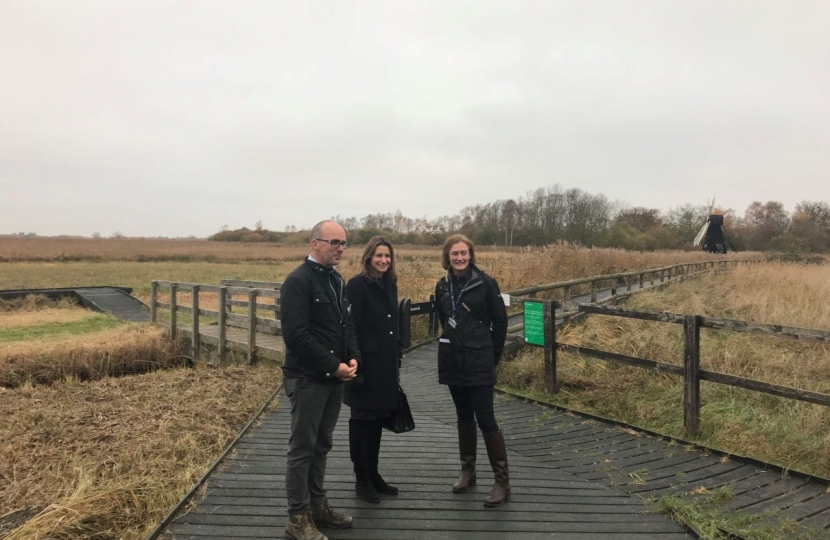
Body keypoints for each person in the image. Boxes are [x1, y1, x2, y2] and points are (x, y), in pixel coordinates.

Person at [280, 220, 360, 540]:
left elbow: (346, 326)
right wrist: (333, 365)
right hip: (308, 379)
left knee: (322, 445)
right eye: (335, 243)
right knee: (303, 448)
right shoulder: (298, 282)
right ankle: (297, 517)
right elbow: (296, 335)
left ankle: (316, 505)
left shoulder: (336, 281)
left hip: (332, 379)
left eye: (344, 244)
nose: (341, 248)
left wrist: (352, 357)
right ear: (315, 244)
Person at [434, 234, 510, 507]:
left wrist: (493, 355)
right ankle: (468, 471)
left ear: (471, 255)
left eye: (464, 253)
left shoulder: (486, 283)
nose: (459, 258)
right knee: (463, 416)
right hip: (453, 360)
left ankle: (502, 481)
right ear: (448, 256)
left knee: (486, 419)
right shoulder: (442, 286)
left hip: (480, 359)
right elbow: (444, 320)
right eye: (455, 253)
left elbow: (500, 323)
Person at [344, 236, 402, 503]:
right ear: (369, 257)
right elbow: (350, 326)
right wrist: (354, 360)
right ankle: (361, 479)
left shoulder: (390, 283)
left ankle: (374, 474)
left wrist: (396, 353)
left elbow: (393, 323)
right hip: (364, 364)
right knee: (362, 421)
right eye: (379, 256)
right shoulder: (356, 285)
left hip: (385, 364)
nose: (383, 260)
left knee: (377, 420)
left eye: (387, 256)